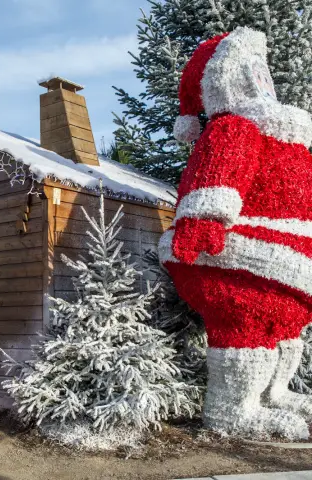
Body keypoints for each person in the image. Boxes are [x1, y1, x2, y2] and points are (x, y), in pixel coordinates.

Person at [160, 27, 312, 439]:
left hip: (285, 254)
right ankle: (233, 410)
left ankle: (273, 393)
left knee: (284, 327)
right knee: (246, 320)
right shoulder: (234, 127)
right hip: (232, 252)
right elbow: (216, 174)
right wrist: (202, 219)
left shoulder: (289, 138)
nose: (260, 79)